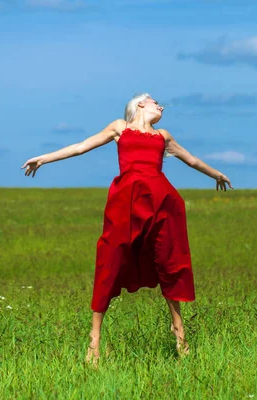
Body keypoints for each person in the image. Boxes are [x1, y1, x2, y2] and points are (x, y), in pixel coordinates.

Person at [21, 92, 233, 367]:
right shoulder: (120, 127)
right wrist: (44, 158)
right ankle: (94, 340)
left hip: (162, 202)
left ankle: (179, 333)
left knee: (169, 261)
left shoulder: (163, 136)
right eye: (156, 101)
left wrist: (217, 174)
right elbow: (81, 146)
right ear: (141, 104)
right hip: (126, 201)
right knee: (110, 259)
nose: (161, 106)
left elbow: (191, 160)